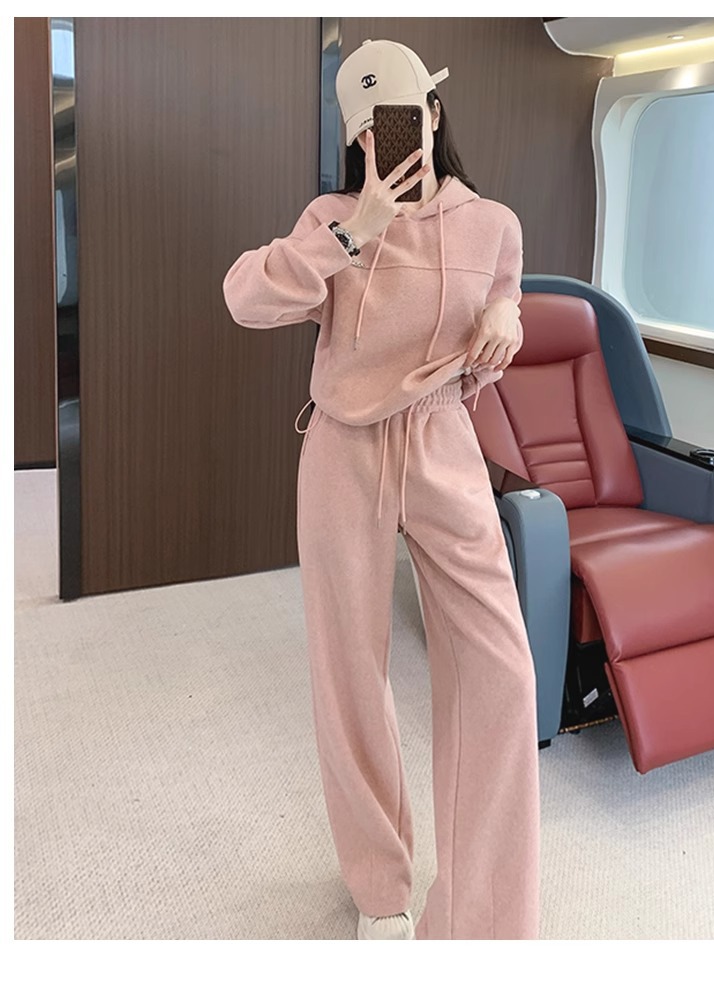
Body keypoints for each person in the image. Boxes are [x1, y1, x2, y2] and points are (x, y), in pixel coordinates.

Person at [223, 38, 540, 941]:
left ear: (432, 115)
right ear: (352, 138)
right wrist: (355, 229)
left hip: (442, 441)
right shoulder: (334, 218)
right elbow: (246, 298)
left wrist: (507, 316)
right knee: (350, 671)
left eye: (398, 119)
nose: (385, 141)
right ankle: (379, 885)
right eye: (366, 130)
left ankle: (482, 918)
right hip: (345, 450)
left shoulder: (494, 225)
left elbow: (498, 315)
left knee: (501, 670)